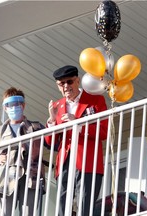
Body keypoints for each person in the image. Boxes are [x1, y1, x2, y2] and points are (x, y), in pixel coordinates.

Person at [44, 65, 108, 216]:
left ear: (77, 81)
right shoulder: (57, 106)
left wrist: (78, 123)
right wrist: (52, 121)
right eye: (61, 84)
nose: (66, 86)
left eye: (69, 82)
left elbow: (104, 131)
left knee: (85, 203)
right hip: (64, 162)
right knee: (62, 203)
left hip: (87, 160)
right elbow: (51, 142)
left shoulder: (95, 100)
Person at [0, 87, 46, 216]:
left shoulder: (36, 127)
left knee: (28, 213)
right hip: (6, 177)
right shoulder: (0, 130)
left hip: (30, 176)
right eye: (9, 105)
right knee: (4, 213)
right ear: (5, 108)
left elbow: (53, 143)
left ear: (23, 105)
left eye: (17, 104)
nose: (13, 107)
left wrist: (53, 122)